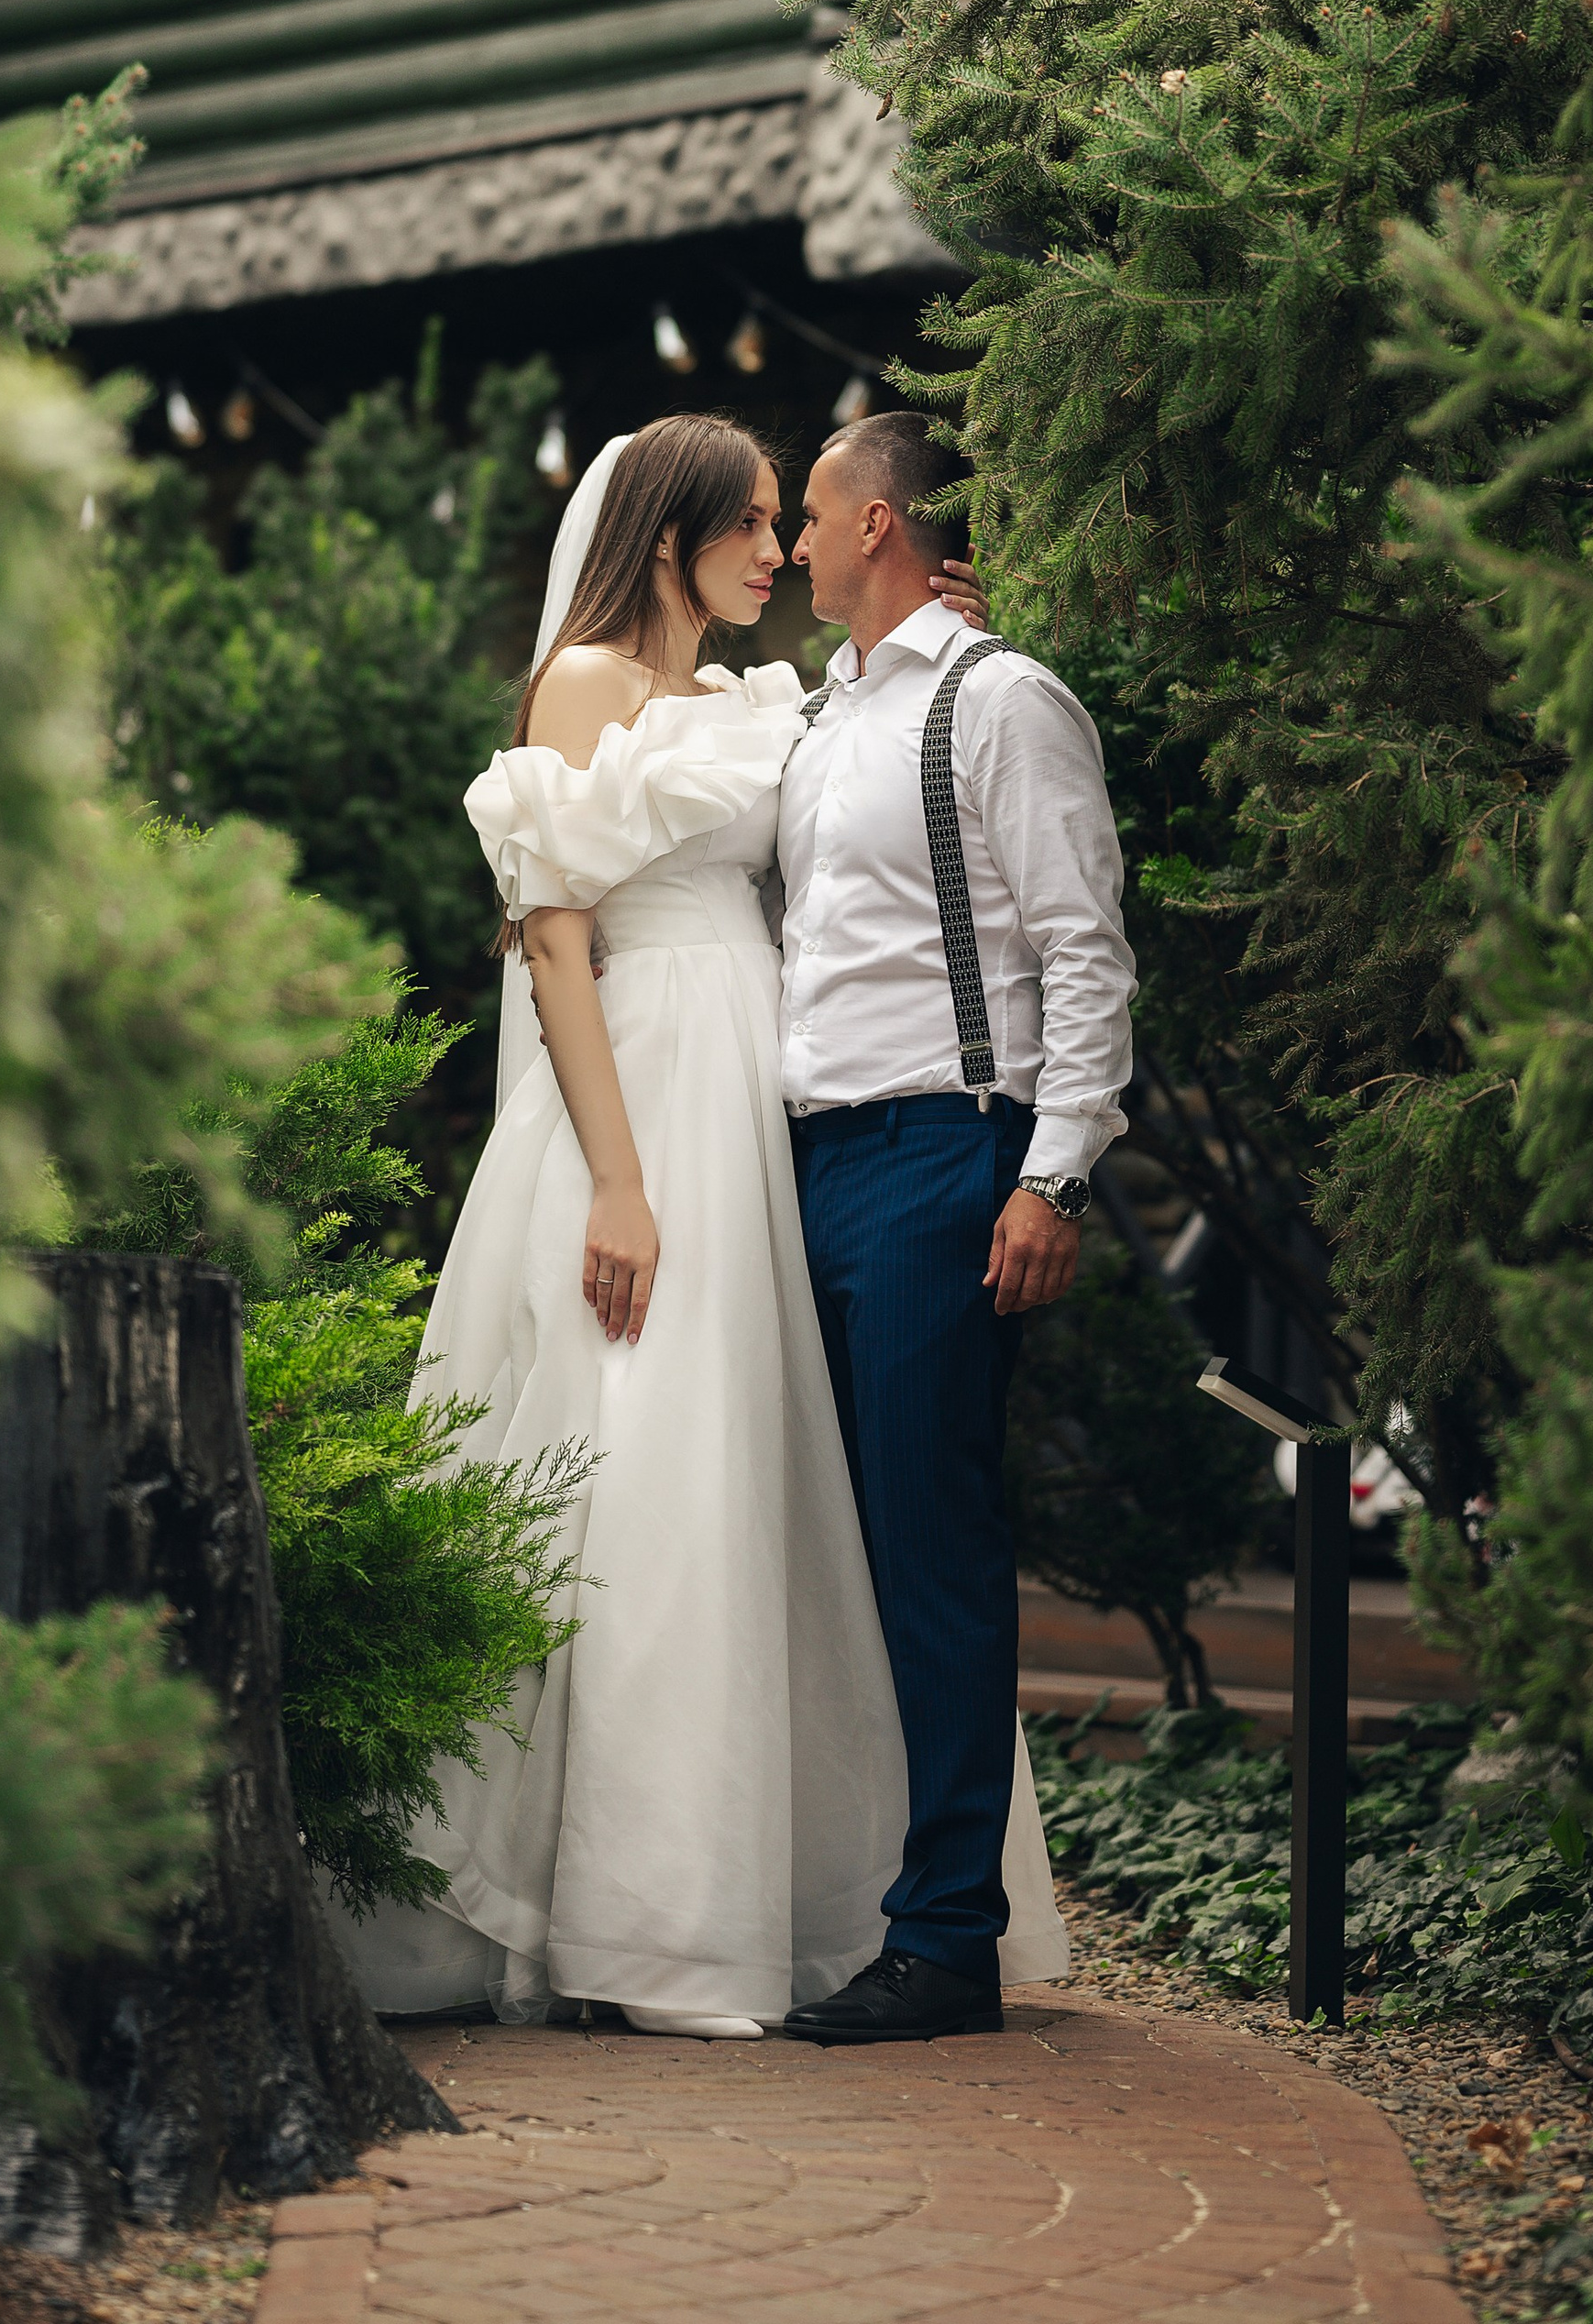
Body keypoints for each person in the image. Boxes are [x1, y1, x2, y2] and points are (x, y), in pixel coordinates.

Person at [327, 412, 1068, 2042]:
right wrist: (616, 1177)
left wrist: (950, 621)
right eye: (748, 523)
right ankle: (620, 1914)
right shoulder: (585, 684)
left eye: (789, 521)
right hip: (645, 1094)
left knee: (750, 1473)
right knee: (632, 1463)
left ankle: (775, 1889)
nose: (777, 552)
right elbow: (556, 945)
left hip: (760, 1101)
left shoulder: (751, 705)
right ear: (669, 535)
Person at [778, 409, 1135, 2045]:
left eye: (811, 513)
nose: (788, 542)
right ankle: (844, 1898)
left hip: (942, 1157)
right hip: (802, 1164)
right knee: (831, 1552)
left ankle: (945, 1942)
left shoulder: (1001, 702)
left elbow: (1083, 946)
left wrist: (1055, 1174)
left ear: (874, 527)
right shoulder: (821, 716)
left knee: (930, 1548)